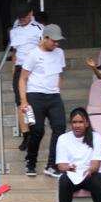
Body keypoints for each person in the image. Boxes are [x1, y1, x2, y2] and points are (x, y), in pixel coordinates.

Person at [19, 23, 67, 178]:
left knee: (60, 127)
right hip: (35, 95)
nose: (56, 44)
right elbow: (22, 78)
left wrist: (57, 89)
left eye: (58, 41)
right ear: (45, 38)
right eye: (54, 41)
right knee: (37, 131)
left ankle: (52, 165)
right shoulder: (33, 54)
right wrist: (24, 101)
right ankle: (31, 162)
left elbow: (59, 73)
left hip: (54, 96)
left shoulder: (59, 53)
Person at [55, 107, 101, 202]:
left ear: (86, 123)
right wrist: (69, 168)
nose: (77, 125)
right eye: (74, 122)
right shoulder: (63, 138)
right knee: (63, 181)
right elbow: (61, 166)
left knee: (97, 180)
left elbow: (96, 163)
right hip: (72, 174)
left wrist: (90, 170)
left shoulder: (96, 137)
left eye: (80, 122)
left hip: (90, 174)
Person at [10, 4, 44, 152]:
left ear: (31, 14)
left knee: (32, 100)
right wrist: (13, 71)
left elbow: (43, 48)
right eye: (20, 17)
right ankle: (26, 134)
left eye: (24, 17)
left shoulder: (38, 28)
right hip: (19, 67)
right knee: (20, 102)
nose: (22, 20)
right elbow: (15, 52)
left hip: (34, 68)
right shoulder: (15, 29)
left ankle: (34, 129)